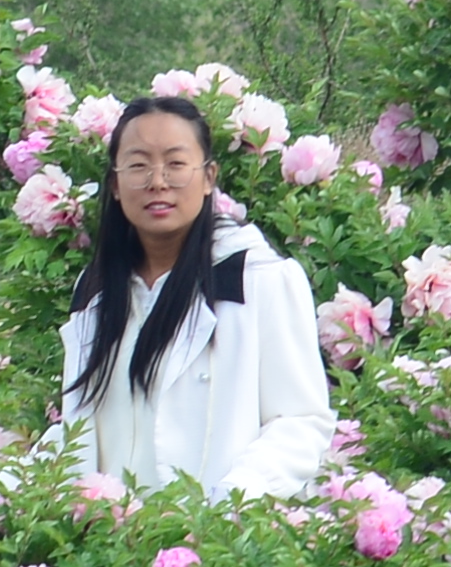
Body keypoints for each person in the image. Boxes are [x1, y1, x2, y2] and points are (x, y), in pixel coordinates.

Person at [58, 91, 333, 499]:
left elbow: (300, 423)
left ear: (208, 177)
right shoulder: (97, 291)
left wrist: (228, 502)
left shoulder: (256, 279)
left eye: (175, 164)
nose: (157, 181)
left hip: (218, 542)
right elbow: (78, 429)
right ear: (115, 184)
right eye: (138, 165)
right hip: (108, 547)